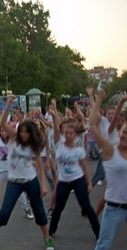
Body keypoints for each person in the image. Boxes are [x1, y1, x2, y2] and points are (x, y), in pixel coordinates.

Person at [0, 95, 55, 250]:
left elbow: (40, 167)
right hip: (14, 182)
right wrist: (8, 105)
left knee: (39, 212)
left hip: (30, 180)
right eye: (21, 131)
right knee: (5, 212)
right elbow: (2, 123)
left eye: (25, 132)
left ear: (31, 133)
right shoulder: (13, 138)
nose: (22, 134)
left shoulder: (34, 145)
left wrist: (43, 185)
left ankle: (47, 238)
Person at [85, 91, 127, 250]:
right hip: (115, 207)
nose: (125, 135)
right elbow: (93, 122)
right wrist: (98, 99)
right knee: (103, 246)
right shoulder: (111, 149)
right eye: (124, 132)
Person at [47, 101, 100, 240]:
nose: (68, 135)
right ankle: (51, 231)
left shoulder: (79, 151)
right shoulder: (59, 145)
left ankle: (98, 231)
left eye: (71, 133)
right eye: (66, 133)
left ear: (75, 135)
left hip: (78, 180)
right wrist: (53, 114)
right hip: (63, 181)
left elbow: (84, 167)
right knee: (58, 207)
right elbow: (57, 128)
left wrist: (89, 183)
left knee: (86, 206)